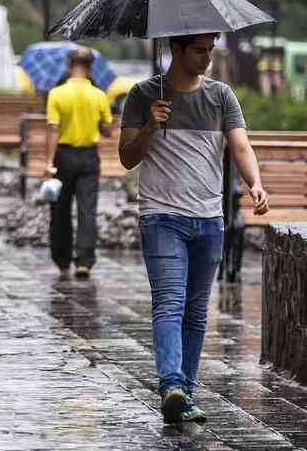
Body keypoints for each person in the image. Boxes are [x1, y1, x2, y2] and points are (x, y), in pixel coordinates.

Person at [119, 33, 269, 424]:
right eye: (199, 50)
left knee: (197, 312)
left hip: (209, 221)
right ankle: (170, 383)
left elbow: (240, 146)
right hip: (161, 218)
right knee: (170, 303)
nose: (206, 58)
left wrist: (254, 181)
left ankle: (184, 393)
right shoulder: (142, 95)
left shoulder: (221, 96)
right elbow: (127, 158)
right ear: (177, 49)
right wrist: (152, 124)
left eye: (210, 50)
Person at [43, 48, 113, 279]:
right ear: (91, 67)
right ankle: (84, 261)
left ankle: (62, 259)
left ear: (68, 64)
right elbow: (107, 130)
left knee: (60, 209)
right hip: (89, 157)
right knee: (87, 209)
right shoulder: (99, 95)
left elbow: (53, 129)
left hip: (63, 156)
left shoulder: (56, 93)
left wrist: (48, 163)